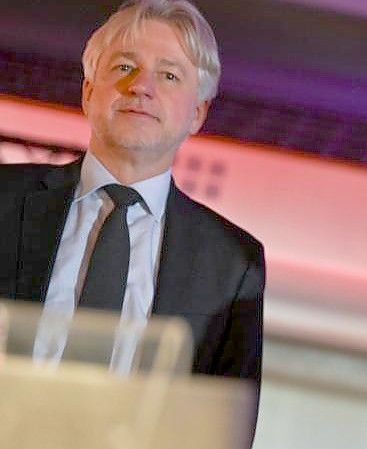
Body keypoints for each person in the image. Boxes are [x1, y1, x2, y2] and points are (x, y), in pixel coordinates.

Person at [0, 0, 264, 430]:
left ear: (197, 113)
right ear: (88, 92)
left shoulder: (233, 264)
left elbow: (224, 430)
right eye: (124, 67)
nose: (142, 86)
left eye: (170, 75)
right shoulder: (4, 197)